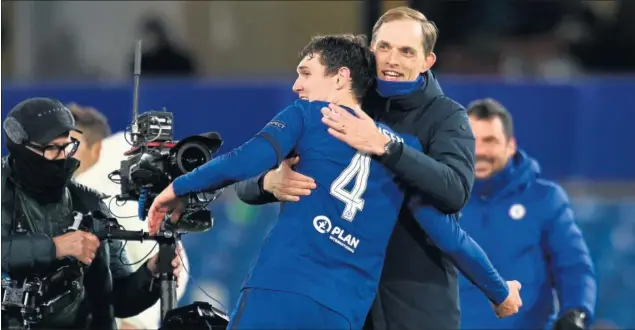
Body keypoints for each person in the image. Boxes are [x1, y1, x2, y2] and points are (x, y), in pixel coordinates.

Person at [146, 34, 522, 329]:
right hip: (341, 312)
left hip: (279, 289)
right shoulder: (401, 151)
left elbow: (243, 160)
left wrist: (176, 189)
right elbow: (449, 236)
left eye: (306, 72)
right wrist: (500, 292)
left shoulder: (308, 115)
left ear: (341, 77)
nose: (296, 85)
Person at [235, 7, 474, 329]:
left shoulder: (447, 117)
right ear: (370, 49)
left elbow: (455, 191)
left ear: (427, 61)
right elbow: (247, 176)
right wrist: (268, 182)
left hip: (413, 301)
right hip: (337, 295)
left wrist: (387, 148)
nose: (392, 60)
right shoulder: (341, 99)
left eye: (406, 51)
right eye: (384, 47)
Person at [0, 98, 184, 330]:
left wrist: (150, 274)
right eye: (52, 149)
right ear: (21, 147)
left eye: (68, 146)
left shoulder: (89, 203)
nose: (63, 157)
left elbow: (116, 299)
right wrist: (54, 247)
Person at [459, 98, 597, 330]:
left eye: (490, 141)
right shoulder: (439, 197)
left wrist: (577, 312)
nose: (479, 151)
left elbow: (573, 266)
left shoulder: (545, 199)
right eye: (471, 141)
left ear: (510, 146)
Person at [66, 103, 190, 329]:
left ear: (96, 149)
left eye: (75, 144)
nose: (66, 151)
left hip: (145, 282)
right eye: (60, 144)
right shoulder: (72, 190)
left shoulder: (98, 187)